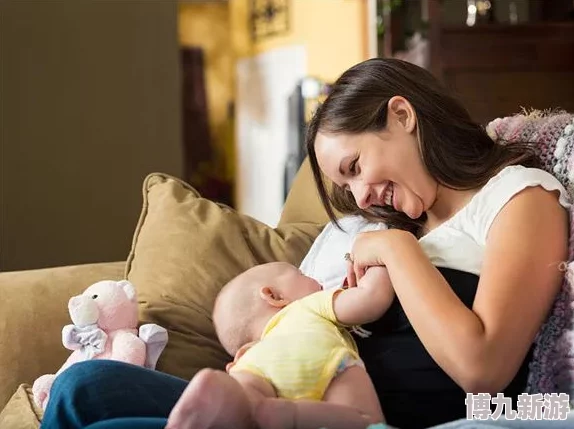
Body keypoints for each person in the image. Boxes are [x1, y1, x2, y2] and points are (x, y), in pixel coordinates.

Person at [40, 58, 571, 429]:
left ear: (404, 116)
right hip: (287, 398)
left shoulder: (518, 198)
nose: (362, 197)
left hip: (346, 417)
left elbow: (483, 370)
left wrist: (395, 251)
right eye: (348, 187)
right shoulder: (404, 226)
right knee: (84, 388)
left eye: (355, 167)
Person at [166, 261, 393, 429]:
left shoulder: (252, 352)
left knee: (245, 399)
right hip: (322, 361)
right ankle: (286, 415)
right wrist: (378, 263)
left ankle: (235, 400)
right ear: (274, 296)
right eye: (302, 273)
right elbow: (371, 298)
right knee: (363, 421)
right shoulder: (307, 306)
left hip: (252, 368)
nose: (316, 280)